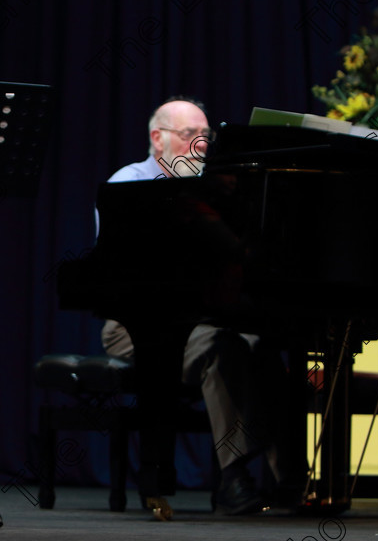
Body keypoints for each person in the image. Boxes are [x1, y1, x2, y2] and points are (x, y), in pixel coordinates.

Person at [99, 96, 297, 516]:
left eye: (205, 137)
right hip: (136, 323)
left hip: (209, 315)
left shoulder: (219, 190)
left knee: (262, 349)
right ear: (158, 138)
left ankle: (291, 479)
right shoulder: (128, 185)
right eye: (190, 136)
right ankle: (234, 475)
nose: (201, 145)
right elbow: (123, 272)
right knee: (220, 349)